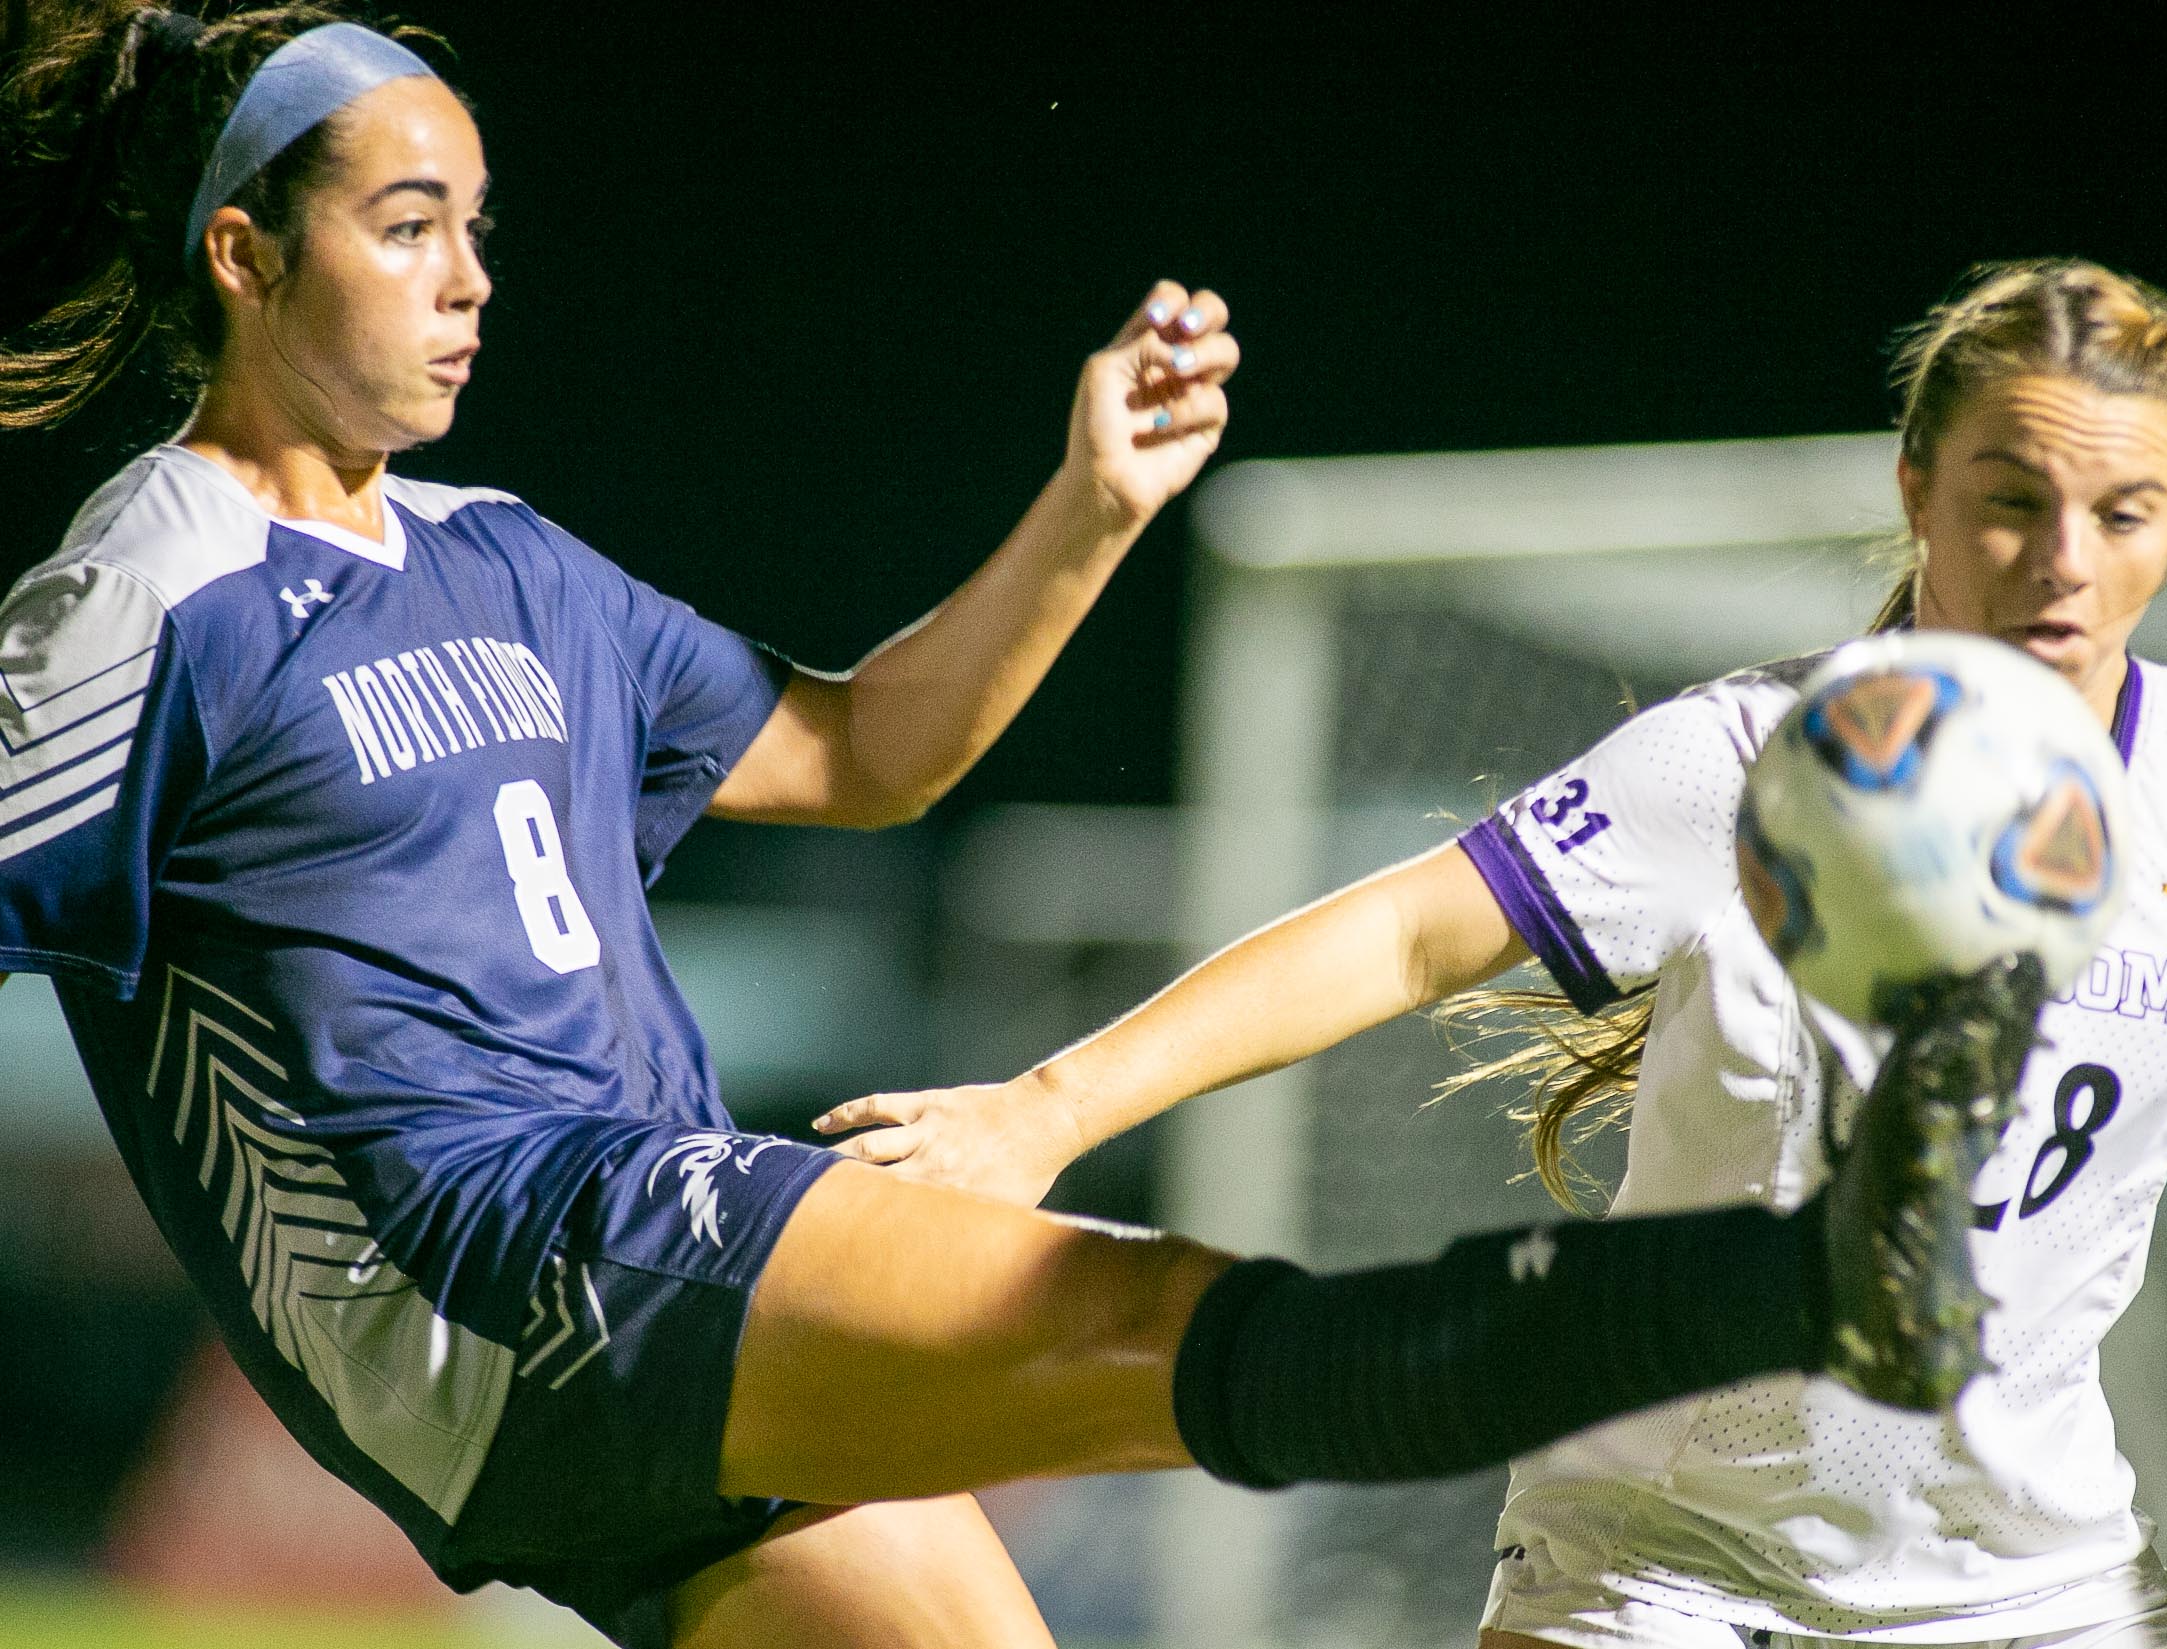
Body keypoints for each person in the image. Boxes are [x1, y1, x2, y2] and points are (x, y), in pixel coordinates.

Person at [0, 8, 1993, 1648]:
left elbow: (871, 752)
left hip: (623, 1340)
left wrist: (1089, 508)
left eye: (480, 227)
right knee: (1142, 1319)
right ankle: (1780, 1284)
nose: (471, 278)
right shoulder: (148, 594)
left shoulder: (507, 561)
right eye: (408, 224)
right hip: (522, 1264)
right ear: (244, 256)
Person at [828, 258, 2167, 1648]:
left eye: (2123, 512)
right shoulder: (1747, 757)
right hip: (1663, 1567)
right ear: (1915, 484)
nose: (2062, 561)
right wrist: (1045, 1106)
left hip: (2030, 1584)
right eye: (2009, 498)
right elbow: (1406, 927)